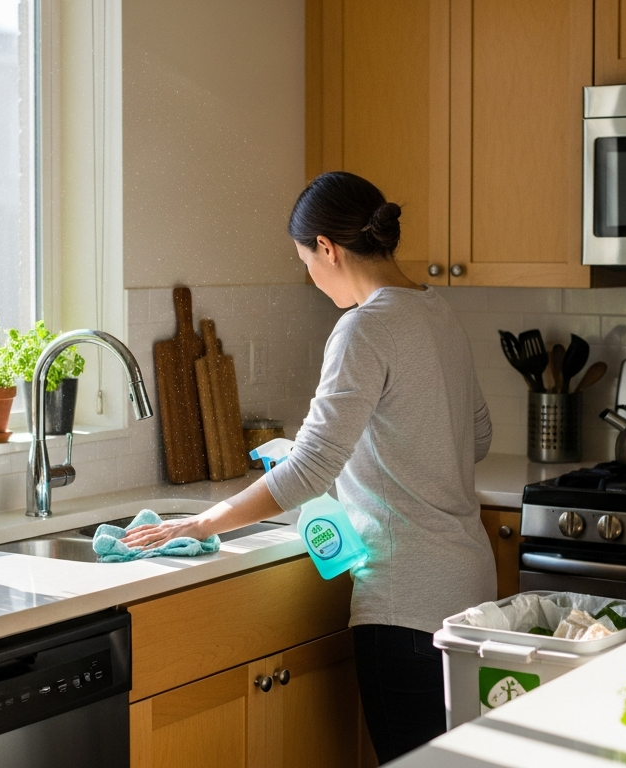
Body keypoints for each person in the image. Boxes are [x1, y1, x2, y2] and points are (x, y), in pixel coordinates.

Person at [121, 171, 495, 762]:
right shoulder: (436, 309)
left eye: (307, 263)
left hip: (404, 604)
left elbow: (310, 470)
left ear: (327, 247)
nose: (313, 280)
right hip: (469, 588)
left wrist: (200, 523)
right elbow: (476, 437)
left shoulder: (364, 327)